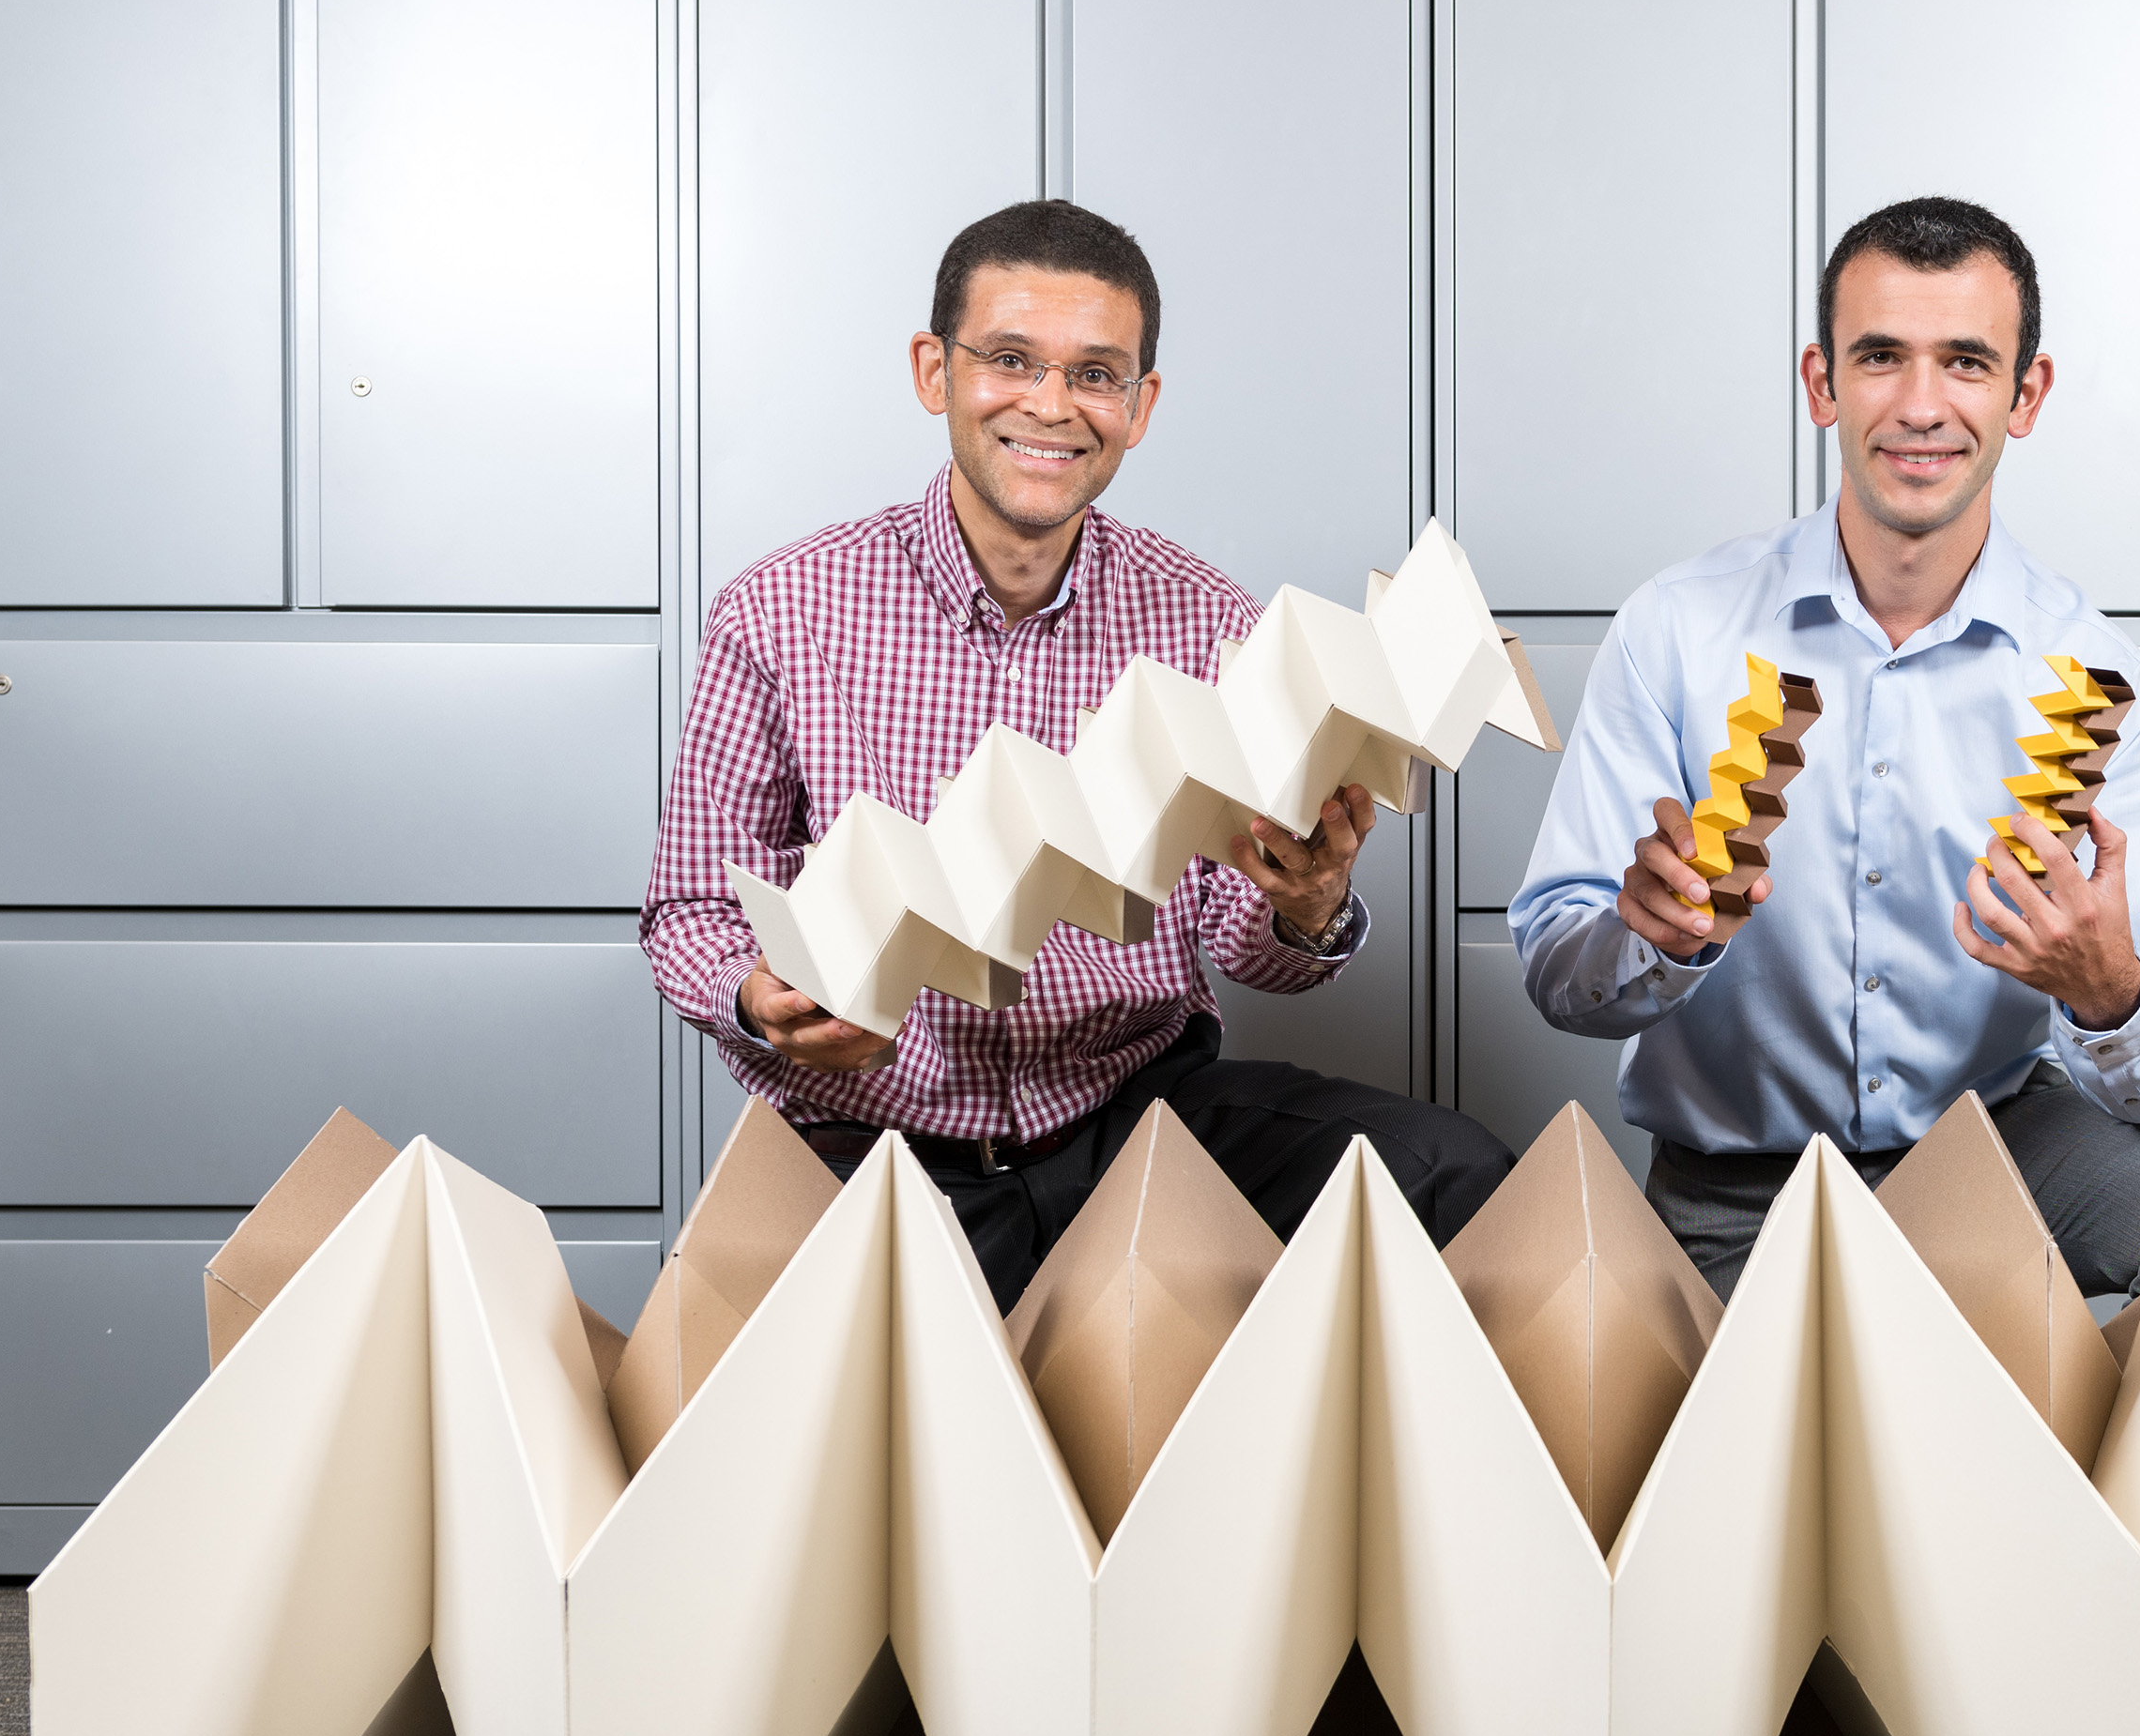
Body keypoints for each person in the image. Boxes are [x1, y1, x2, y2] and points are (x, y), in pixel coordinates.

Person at [643, 199, 1511, 1311]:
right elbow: (687, 915)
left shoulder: (1206, 618)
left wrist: (1308, 901)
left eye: (1097, 374)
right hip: (875, 1144)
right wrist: (760, 998)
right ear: (933, 370)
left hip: (1138, 1117)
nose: (1052, 406)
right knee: (777, 1420)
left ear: (1141, 405)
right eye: (1010, 360)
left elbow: (1243, 945)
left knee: (1461, 1180)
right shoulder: (781, 609)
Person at [1511, 197, 2140, 1299]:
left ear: (2025, 393)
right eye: (1880, 358)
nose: (1920, 405)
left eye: (1964, 362)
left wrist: (2110, 992)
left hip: (2002, 1151)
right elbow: (1558, 976)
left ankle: (2096, 1457)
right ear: (1822, 383)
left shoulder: (2097, 675)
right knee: (1758, 1466)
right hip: (1737, 1191)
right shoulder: (1679, 629)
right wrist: (1645, 938)